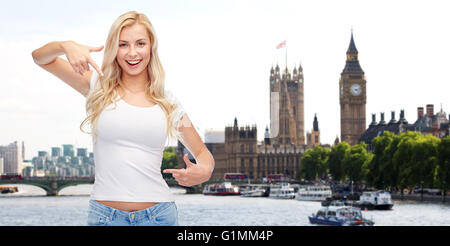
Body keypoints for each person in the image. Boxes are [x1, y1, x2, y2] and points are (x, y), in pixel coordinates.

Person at [31, 11, 214, 226]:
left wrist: (204, 171)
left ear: (151, 47)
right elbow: (40, 58)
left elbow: (202, 153)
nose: (132, 53)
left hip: (159, 216)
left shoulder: (168, 102)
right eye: (123, 44)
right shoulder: (96, 86)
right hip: (104, 217)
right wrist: (65, 46)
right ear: (113, 49)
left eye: (140, 43)